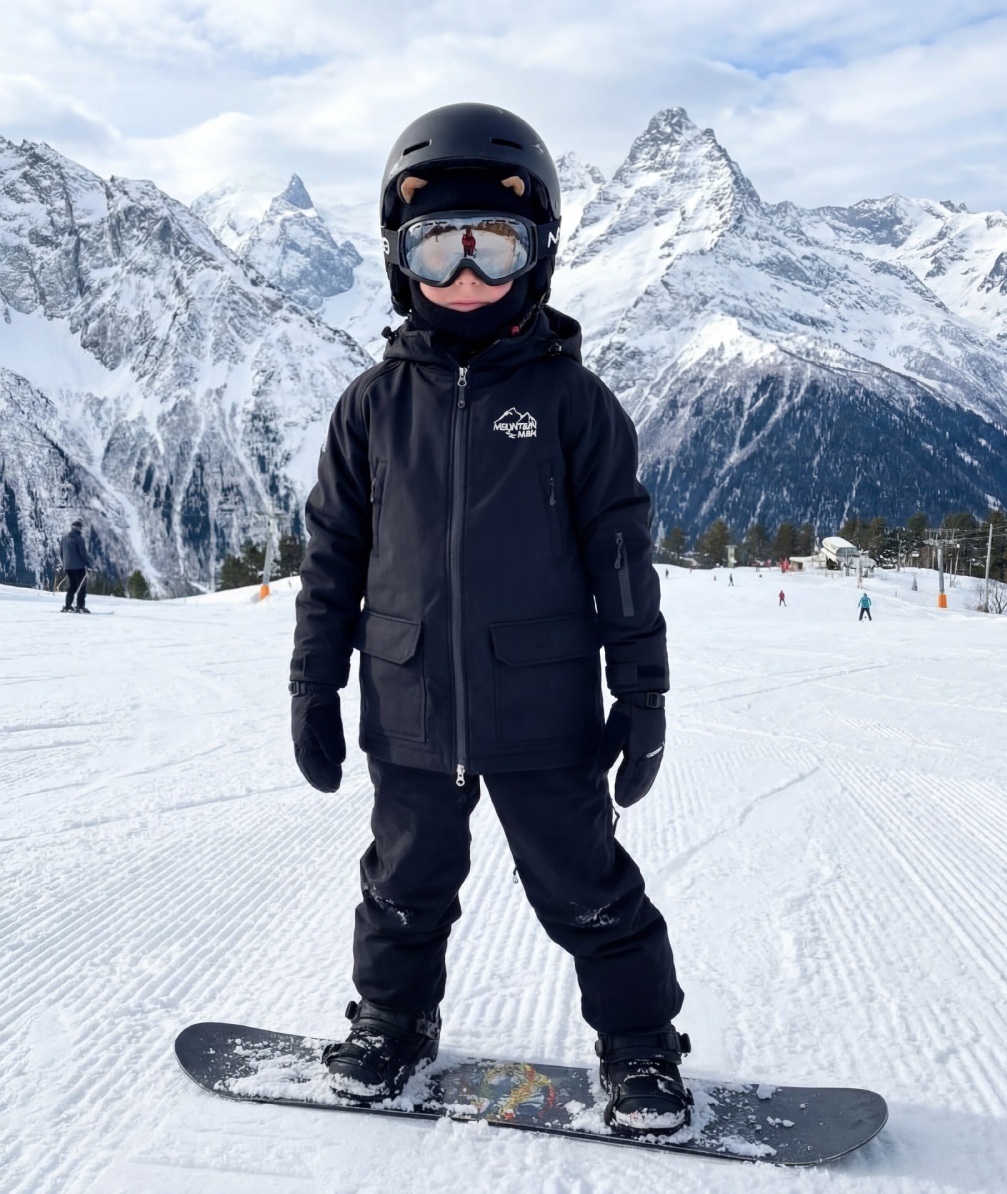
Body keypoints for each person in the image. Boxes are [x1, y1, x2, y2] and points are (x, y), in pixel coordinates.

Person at [290, 104, 688, 1134]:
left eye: (492, 246)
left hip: (542, 709)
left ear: (537, 254)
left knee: (588, 889)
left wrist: (642, 689)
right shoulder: (371, 408)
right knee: (401, 885)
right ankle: (391, 1021)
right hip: (408, 703)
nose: (466, 276)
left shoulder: (574, 403)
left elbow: (621, 559)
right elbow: (332, 557)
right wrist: (313, 682)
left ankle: (640, 1046)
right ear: (400, 259)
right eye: (440, 248)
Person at [60, 520, 90, 613]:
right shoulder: (79, 539)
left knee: (72, 586)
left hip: (68, 567)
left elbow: (61, 553)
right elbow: (83, 554)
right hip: (79, 567)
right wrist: (88, 564)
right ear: (79, 528)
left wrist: (65, 563)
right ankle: (80, 606)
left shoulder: (64, 538)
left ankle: (68, 605)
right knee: (82, 586)